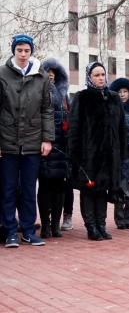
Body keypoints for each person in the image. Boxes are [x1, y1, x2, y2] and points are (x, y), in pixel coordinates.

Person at [0, 34, 54, 247]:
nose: (23, 54)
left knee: (30, 189)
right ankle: (10, 231)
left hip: (32, 141)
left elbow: (47, 110)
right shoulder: (2, 74)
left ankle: (29, 231)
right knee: (8, 188)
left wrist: (47, 139)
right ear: (13, 50)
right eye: (19, 50)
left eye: (27, 50)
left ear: (32, 52)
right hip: (7, 141)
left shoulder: (41, 77)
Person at [67, 62, 127, 241]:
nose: (101, 78)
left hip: (110, 154)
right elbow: (74, 128)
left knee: (103, 189)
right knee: (88, 190)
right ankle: (91, 227)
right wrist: (75, 155)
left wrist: (122, 152)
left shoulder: (114, 97)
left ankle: (101, 225)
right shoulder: (81, 97)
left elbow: (122, 127)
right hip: (88, 155)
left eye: (103, 74)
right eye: (96, 75)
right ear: (89, 77)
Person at [37, 58, 70, 238]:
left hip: (62, 145)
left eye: (53, 72)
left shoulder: (64, 95)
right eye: (47, 71)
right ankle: (45, 224)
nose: (50, 74)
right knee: (44, 185)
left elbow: (70, 118)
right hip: (43, 144)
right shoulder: (38, 92)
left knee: (59, 186)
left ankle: (56, 224)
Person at [109, 78, 129, 229]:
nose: (122, 94)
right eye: (119, 92)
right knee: (118, 185)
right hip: (119, 154)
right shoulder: (112, 110)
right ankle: (119, 217)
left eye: (125, 91)